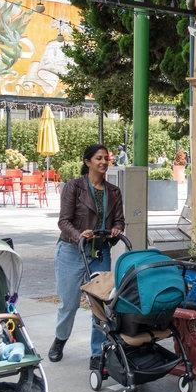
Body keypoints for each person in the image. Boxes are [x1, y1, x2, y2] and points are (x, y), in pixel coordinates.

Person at [51, 144, 124, 370]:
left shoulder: (113, 191)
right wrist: (78, 235)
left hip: (100, 251)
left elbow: (119, 220)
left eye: (106, 158)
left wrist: (116, 230)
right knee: (69, 303)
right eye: (98, 158)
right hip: (72, 251)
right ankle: (60, 339)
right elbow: (63, 222)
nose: (103, 162)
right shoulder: (74, 187)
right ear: (87, 162)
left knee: (100, 305)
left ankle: (97, 352)